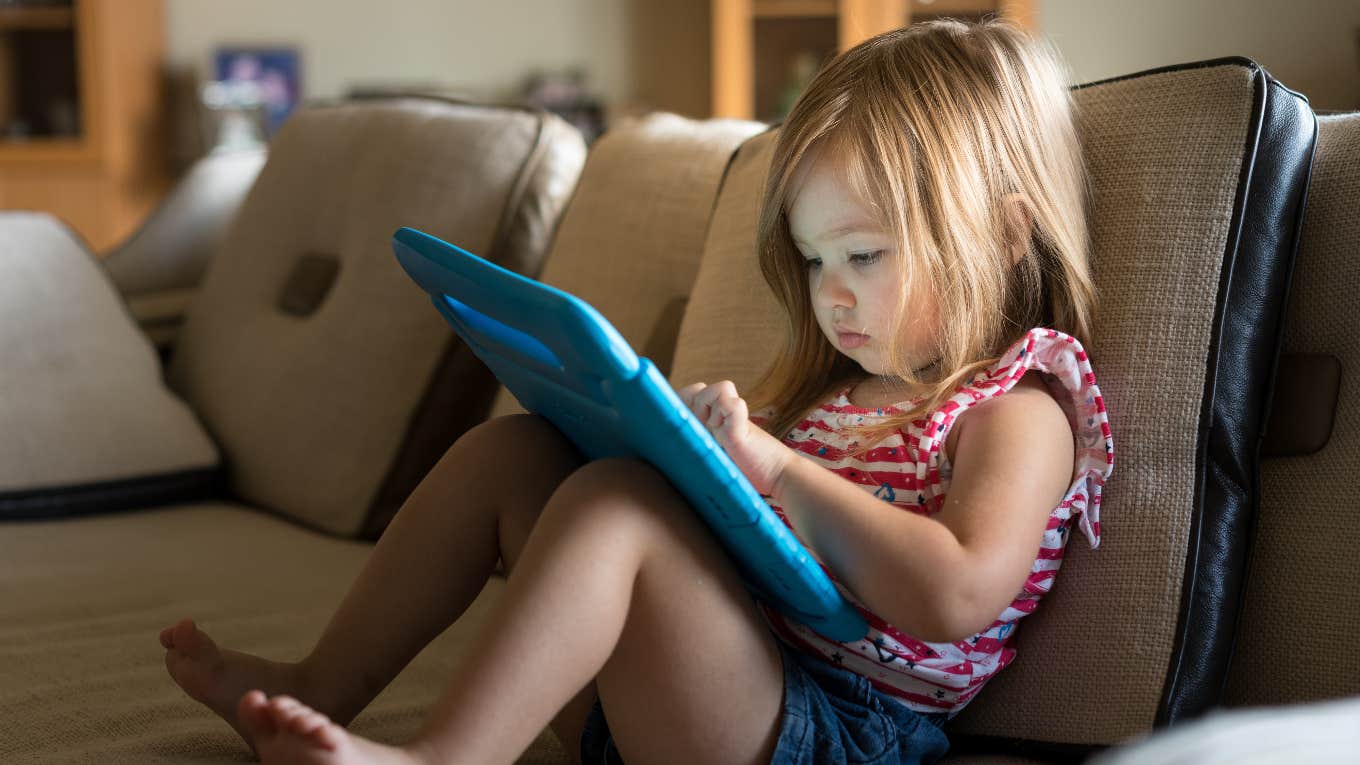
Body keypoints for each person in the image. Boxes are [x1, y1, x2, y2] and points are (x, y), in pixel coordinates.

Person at [158, 17, 1114, 765]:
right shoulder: (840, 393)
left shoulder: (1017, 409)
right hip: (677, 700)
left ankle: (441, 754)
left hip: (826, 734)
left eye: (864, 253)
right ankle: (323, 686)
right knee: (515, 454)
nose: (830, 290)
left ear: (1006, 232)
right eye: (816, 256)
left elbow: (955, 592)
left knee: (620, 508)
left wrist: (773, 469)